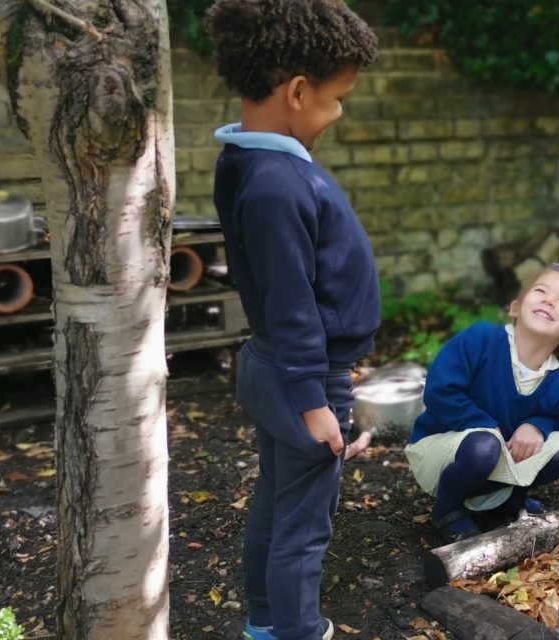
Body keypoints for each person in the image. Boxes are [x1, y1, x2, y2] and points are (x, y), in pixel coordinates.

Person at [206, 2, 378, 639]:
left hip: (278, 364)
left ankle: (263, 624)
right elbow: (291, 302)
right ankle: (301, 632)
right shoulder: (277, 181)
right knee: (304, 528)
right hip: (305, 375)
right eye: (337, 99)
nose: (339, 112)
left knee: (278, 505)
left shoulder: (249, 162)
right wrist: (315, 402)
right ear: (299, 91)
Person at [406, 264, 559, 542]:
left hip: (499, 455)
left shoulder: (556, 381)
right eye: (540, 291)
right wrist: (484, 426)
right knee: (484, 446)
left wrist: (537, 426)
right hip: (446, 448)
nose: (549, 300)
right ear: (515, 308)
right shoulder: (482, 340)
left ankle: (506, 498)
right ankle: (447, 509)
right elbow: (440, 390)